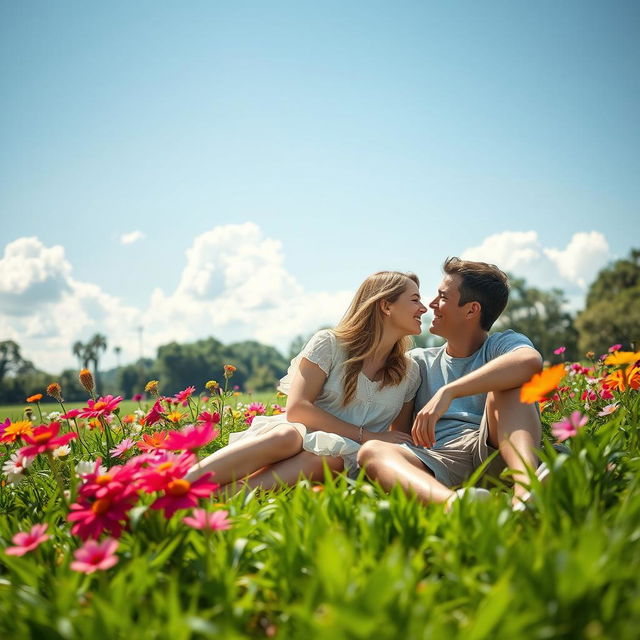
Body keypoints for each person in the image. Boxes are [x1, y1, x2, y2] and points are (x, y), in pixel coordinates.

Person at [186, 271, 428, 492]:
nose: (424, 308)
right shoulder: (330, 344)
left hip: (343, 456)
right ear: (386, 305)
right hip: (299, 432)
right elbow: (298, 409)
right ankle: (180, 482)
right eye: (415, 299)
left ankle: (222, 496)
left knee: (331, 460)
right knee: (287, 436)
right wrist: (367, 435)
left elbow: (398, 435)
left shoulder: (409, 371)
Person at [357, 257, 543, 508]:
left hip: (494, 448)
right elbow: (399, 434)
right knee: (372, 452)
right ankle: (455, 506)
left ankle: (527, 492)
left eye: (442, 297)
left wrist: (450, 391)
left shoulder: (501, 345)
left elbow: (530, 363)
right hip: (439, 459)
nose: (430, 305)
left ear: (470, 310)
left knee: (513, 384)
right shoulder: (418, 362)